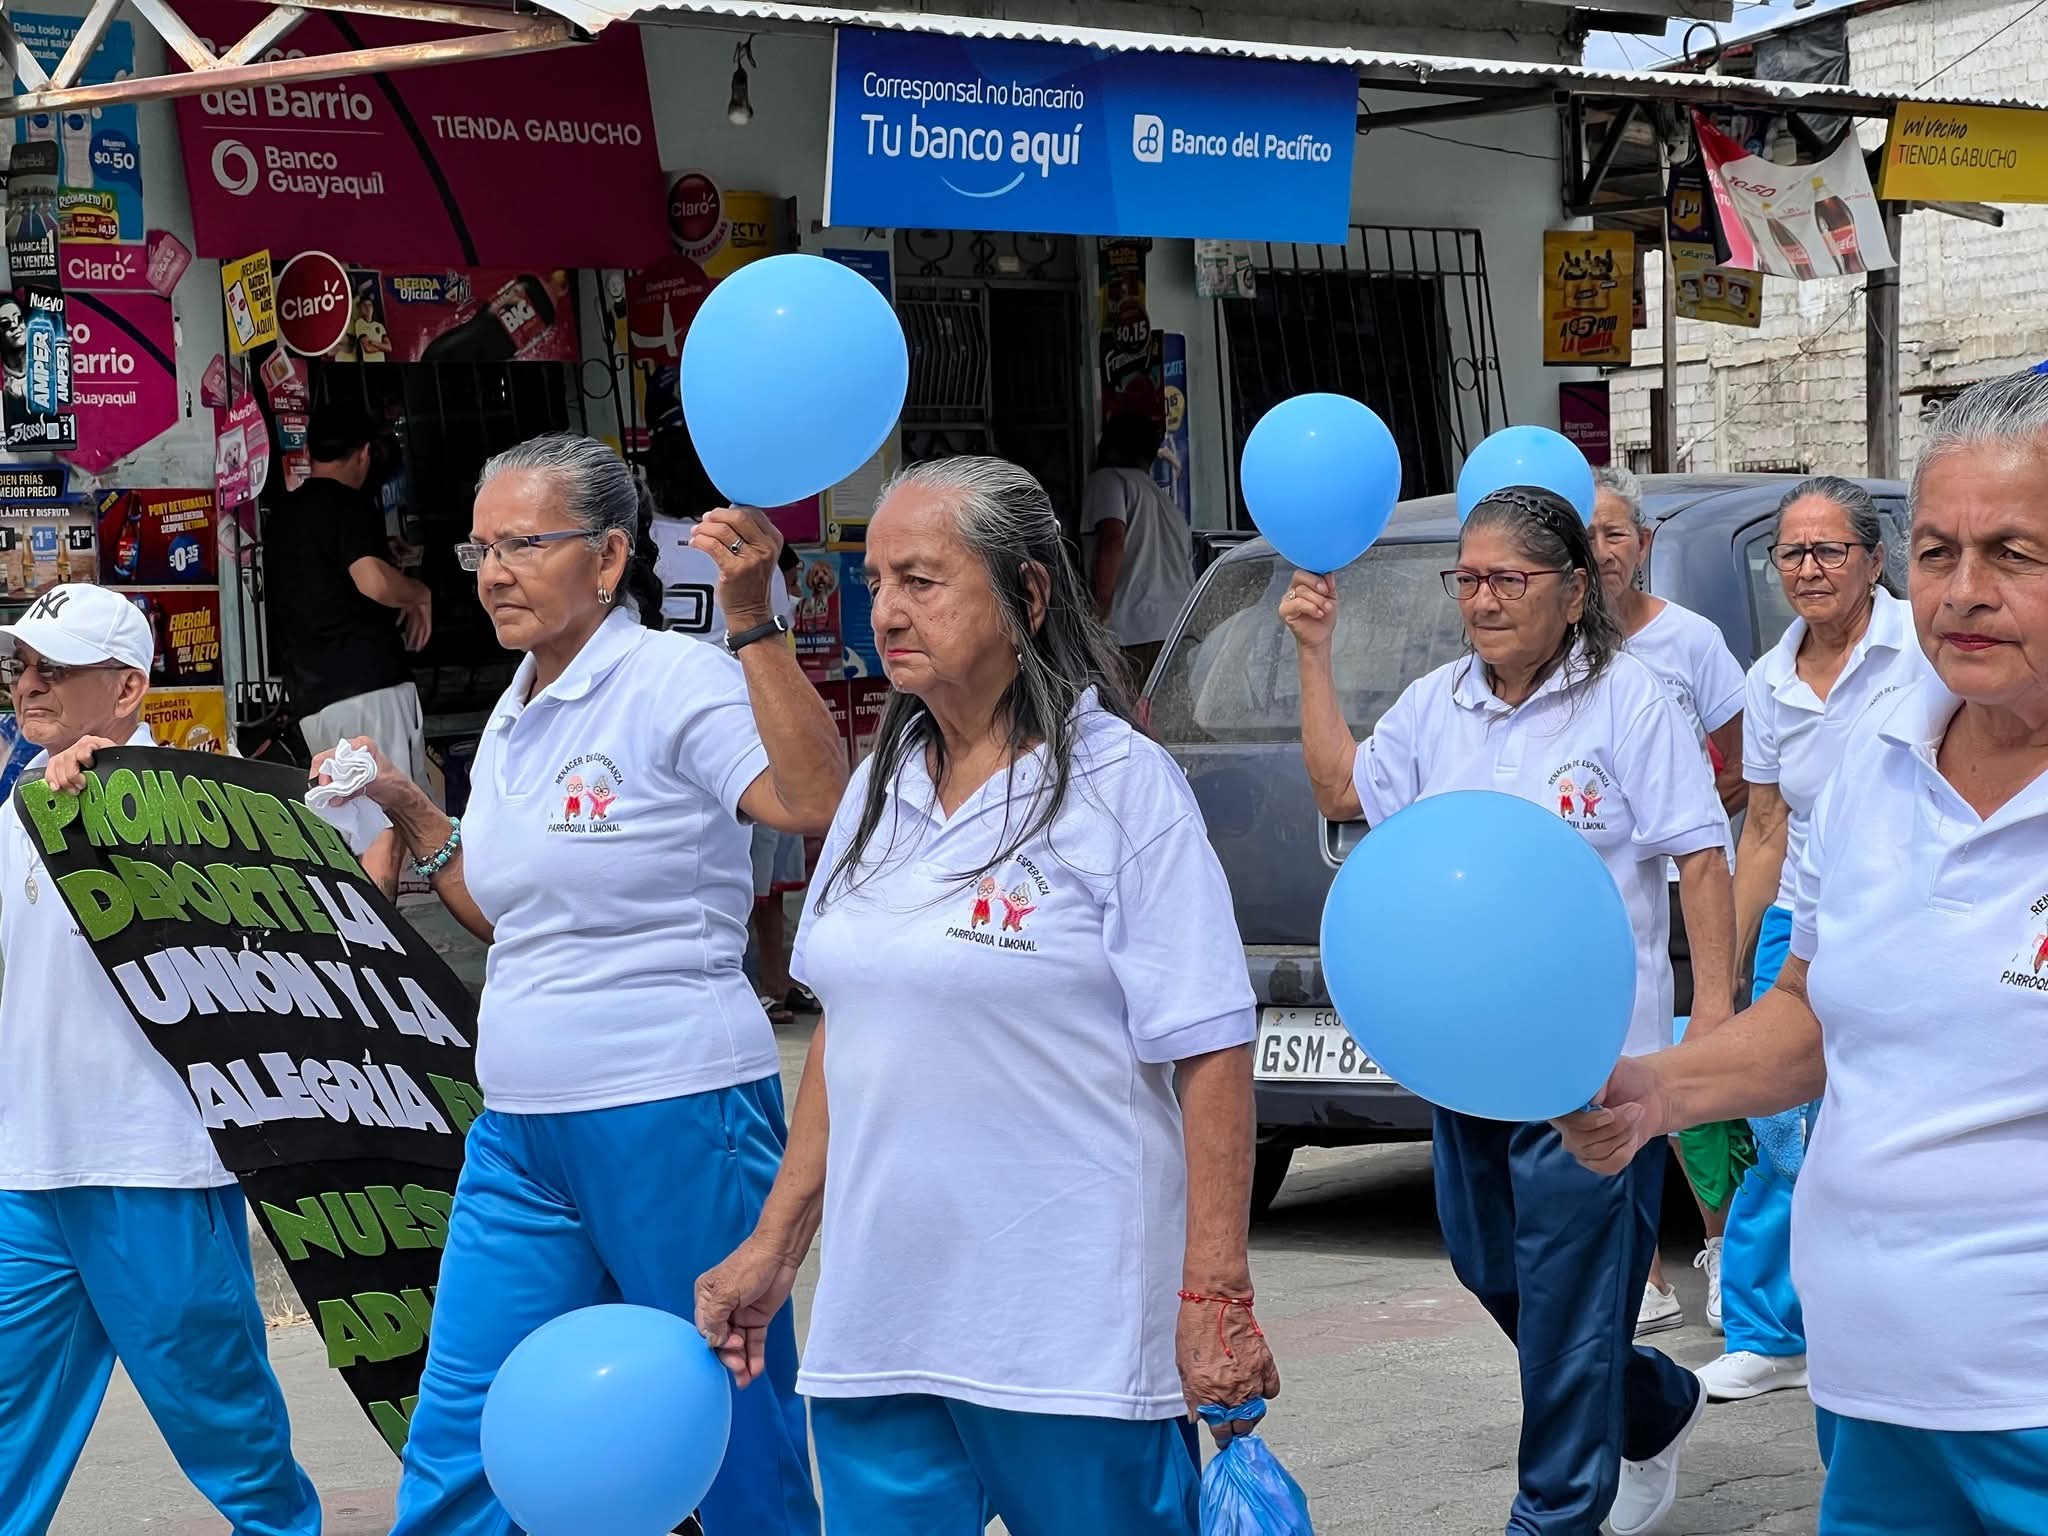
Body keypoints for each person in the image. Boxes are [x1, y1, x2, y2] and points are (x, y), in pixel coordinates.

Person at [696, 456, 1277, 1534]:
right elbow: (849, 1034)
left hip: (1071, 1335)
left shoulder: (1120, 785)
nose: (887, 611)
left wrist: (1215, 1291)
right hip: (882, 1324)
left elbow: (1208, 1047)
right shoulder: (878, 789)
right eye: (877, 582)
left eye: (921, 580)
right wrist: (774, 1244)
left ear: (1029, 594)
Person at [321, 432, 845, 1535]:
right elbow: (504, 912)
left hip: (673, 1109)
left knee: (734, 1438)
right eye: (480, 549)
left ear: (608, 557)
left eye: (525, 544)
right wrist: (410, 808)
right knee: (464, 1429)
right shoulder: (515, 709)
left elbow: (812, 802)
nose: (493, 572)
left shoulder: (676, 680)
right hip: (519, 1128)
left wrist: (754, 621)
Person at [1556, 371, 2048, 1534]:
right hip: (1873, 1392)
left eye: (2011, 553)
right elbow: (1809, 1012)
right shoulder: (1872, 760)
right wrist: (1652, 1091)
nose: (1962, 593)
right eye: (1937, 552)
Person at [1283, 486, 1736, 1536]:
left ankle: (1553, 1514)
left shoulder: (1629, 701)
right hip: (1468, 1052)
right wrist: (1313, 654)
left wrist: (1710, 1012)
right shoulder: (1435, 703)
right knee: (1491, 1269)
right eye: (1469, 579)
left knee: (1571, 1302)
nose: (1482, 600)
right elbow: (1342, 794)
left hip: (1593, 1063)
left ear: (1573, 591)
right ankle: (1652, 1401)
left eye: (1508, 580)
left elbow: (1700, 853)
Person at [0, 583, 320, 1534]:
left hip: (155, 1167)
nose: (28, 684)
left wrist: (134, 795)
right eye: (21, 665)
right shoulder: (19, 806)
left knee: (226, 1424)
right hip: (28, 1171)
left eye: (55, 668)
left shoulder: (194, 799)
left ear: (129, 686)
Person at [1684, 475, 1925, 1407]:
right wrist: (1731, 972)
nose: (1810, 568)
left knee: (1876, 1128)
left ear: (1874, 560)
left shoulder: (1922, 649)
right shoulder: (1769, 678)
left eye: (1830, 550)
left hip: (1907, 914)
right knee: (1775, 1125)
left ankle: (1875, 1325)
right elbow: (1765, 827)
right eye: (1792, 552)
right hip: (1802, 916)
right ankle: (1768, 1333)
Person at [1587, 464, 1751, 1339]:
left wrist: (1674, 826)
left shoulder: (1689, 639)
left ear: (1643, 543)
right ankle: (1642, 1272)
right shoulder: (1559, 658)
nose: (1600, 549)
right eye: (1585, 534)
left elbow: (1740, 762)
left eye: (1615, 532)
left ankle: (1724, 1248)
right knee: (1615, 1074)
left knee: (1695, 1069)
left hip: (1694, 892)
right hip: (1609, 905)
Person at [264, 400, 433, 785]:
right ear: (365, 453)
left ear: (308, 452)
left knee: (345, 811)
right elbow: (373, 582)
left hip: (313, 701)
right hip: (370, 688)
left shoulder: (282, 518)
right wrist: (418, 593)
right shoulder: (349, 504)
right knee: (398, 809)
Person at [1083, 410, 1194, 689]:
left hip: (1131, 632)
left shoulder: (1108, 480)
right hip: (1177, 628)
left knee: (1126, 710)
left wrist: (1096, 613)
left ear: (1109, 446)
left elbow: (1112, 539)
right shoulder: (1165, 502)